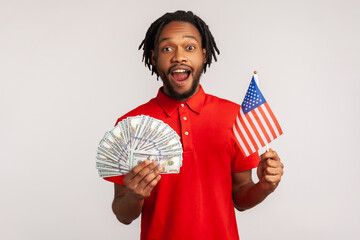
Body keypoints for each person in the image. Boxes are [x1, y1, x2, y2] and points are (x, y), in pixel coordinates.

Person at [106, 10, 284, 240]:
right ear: (153, 57)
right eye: (167, 48)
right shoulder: (129, 125)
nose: (179, 57)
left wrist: (264, 187)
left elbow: (240, 197)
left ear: (204, 54)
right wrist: (134, 195)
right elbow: (123, 214)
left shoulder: (234, 117)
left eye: (189, 48)